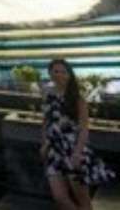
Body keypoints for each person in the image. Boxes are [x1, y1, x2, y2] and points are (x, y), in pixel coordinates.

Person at [41, 59, 115, 210]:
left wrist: (77, 154)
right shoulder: (47, 95)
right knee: (60, 198)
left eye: (64, 71)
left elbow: (84, 129)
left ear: (69, 75)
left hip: (73, 150)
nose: (60, 75)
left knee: (83, 200)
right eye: (56, 71)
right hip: (54, 151)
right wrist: (44, 143)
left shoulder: (78, 99)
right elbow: (46, 122)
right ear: (50, 73)